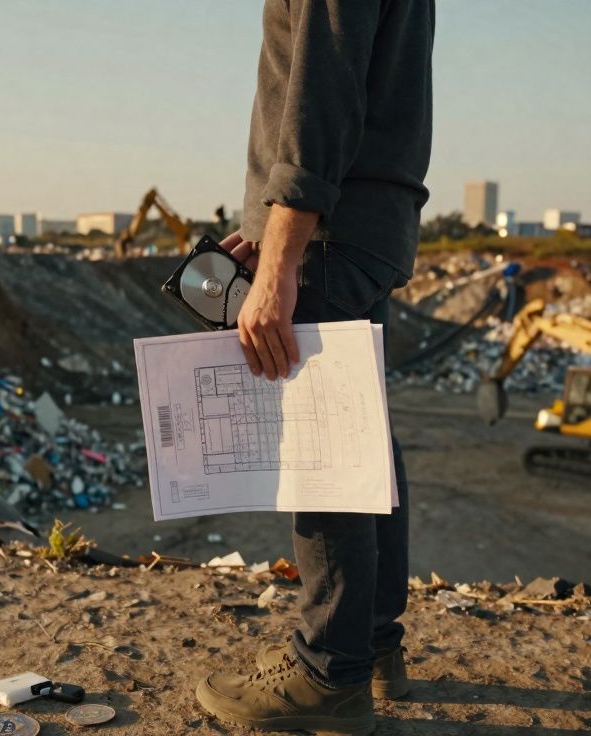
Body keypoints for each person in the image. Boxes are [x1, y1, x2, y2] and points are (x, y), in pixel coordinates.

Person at [194, 1, 434, 733]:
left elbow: (322, 93)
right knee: (360, 441)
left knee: (323, 455)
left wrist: (281, 260)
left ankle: (330, 674)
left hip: (328, 235)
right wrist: (266, 233)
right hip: (359, 228)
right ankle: (371, 647)